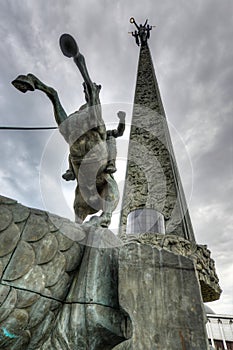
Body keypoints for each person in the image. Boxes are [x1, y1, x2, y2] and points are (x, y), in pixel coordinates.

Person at [62, 110, 125, 180]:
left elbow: (119, 132)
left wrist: (122, 119)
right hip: (85, 152)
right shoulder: (88, 134)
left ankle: (111, 164)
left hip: (102, 155)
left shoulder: (105, 133)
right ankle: (71, 171)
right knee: (74, 148)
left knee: (111, 139)